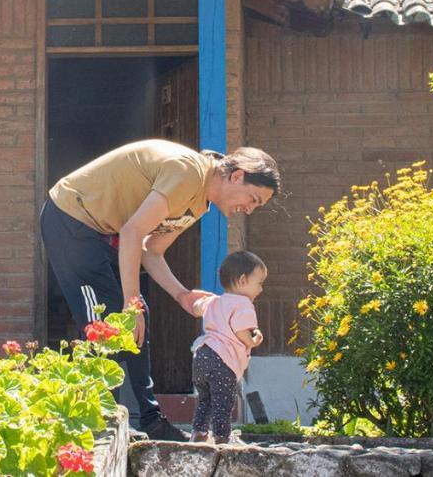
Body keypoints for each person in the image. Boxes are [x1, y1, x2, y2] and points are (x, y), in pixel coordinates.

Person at [41, 139, 279, 442]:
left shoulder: (199, 202)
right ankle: (102, 422)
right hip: (70, 220)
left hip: (102, 233)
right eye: (254, 198)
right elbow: (132, 231)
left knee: (136, 317)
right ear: (237, 176)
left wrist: (182, 295)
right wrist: (131, 303)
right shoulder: (188, 172)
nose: (249, 209)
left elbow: (150, 252)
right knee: (106, 323)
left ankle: (151, 420)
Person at [191, 250, 268, 444]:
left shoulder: (214, 300)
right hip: (223, 361)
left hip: (202, 355)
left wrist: (198, 302)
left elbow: (197, 307)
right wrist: (253, 340)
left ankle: (199, 432)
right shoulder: (243, 304)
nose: (261, 289)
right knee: (223, 402)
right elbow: (242, 331)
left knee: (205, 399)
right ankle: (221, 438)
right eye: (259, 283)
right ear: (243, 280)